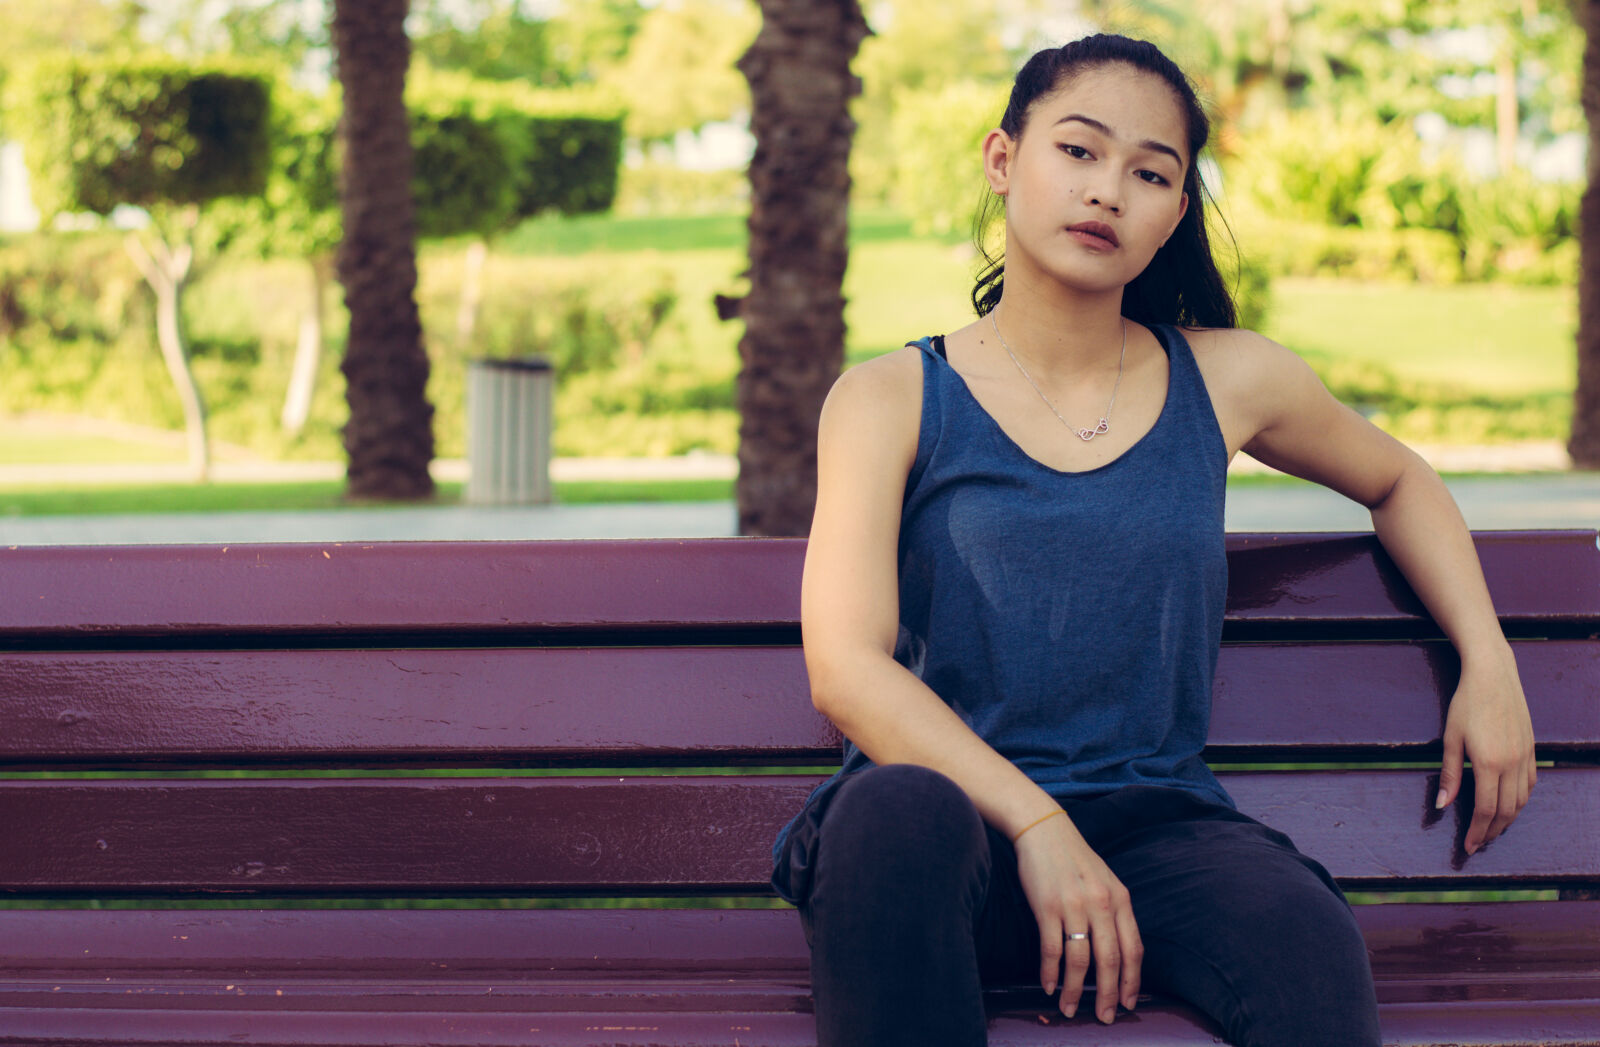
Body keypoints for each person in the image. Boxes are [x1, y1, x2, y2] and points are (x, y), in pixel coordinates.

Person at [766, 32, 1538, 1047]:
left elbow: (1400, 478)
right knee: (892, 815)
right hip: (939, 837)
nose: (1106, 192)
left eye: (1148, 172)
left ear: (1175, 211)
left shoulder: (1231, 380)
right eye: (1077, 152)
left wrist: (1486, 662)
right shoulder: (891, 397)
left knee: (1303, 939)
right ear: (1004, 161)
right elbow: (846, 671)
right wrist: (1040, 827)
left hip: (1151, 830)